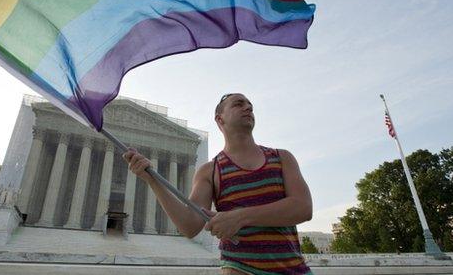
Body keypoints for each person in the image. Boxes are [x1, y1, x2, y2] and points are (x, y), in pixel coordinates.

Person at [123, 93, 313, 274]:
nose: (248, 107)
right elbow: (190, 225)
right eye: (239, 104)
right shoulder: (210, 170)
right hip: (240, 269)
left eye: (250, 105)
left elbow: (303, 208)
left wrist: (240, 217)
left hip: (295, 269)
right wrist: (153, 180)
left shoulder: (282, 158)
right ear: (219, 119)